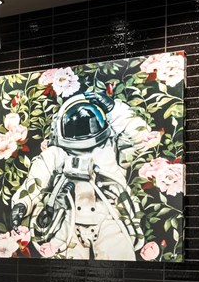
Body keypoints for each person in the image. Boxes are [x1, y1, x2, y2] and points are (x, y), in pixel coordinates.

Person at [10, 91, 156, 260]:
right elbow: (36, 181)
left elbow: (143, 137)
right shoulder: (56, 154)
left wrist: (114, 109)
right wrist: (21, 204)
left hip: (109, 219)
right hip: (67, 223)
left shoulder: (112, 148)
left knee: (121, 270)